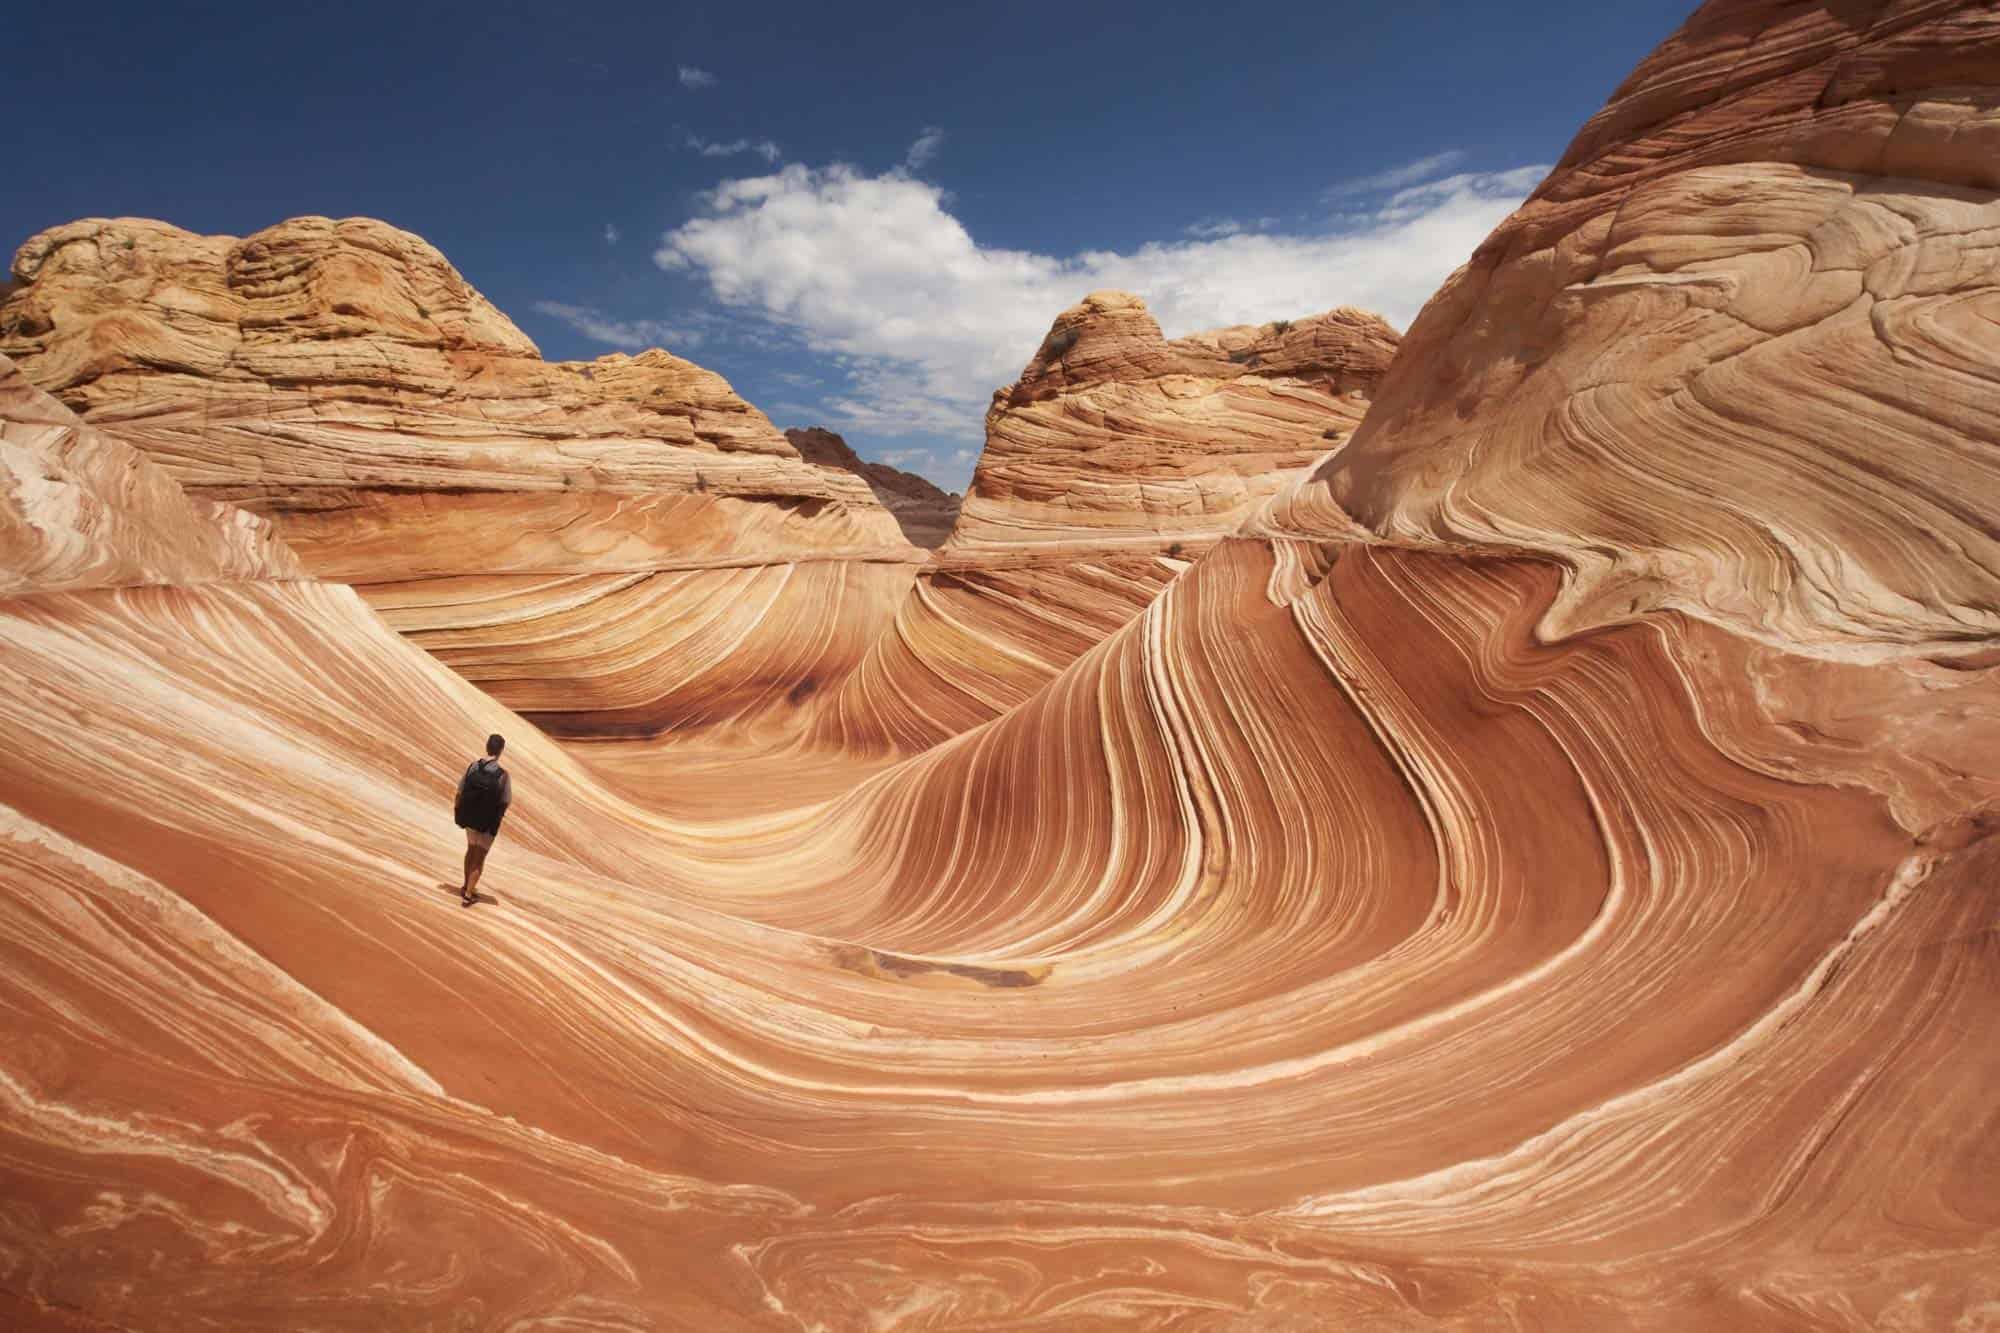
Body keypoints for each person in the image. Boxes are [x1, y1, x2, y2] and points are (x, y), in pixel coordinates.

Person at [453, 733, 512, 906]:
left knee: (471, 851)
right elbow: (506, 801)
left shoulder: (473, 767)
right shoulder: (503, 776)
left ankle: (465, 886)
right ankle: (469, 894)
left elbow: (460, 791)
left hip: (470, 818)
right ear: (500, 751)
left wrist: (457, 811)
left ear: (487, 747)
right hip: (487, 824)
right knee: (480, 858)